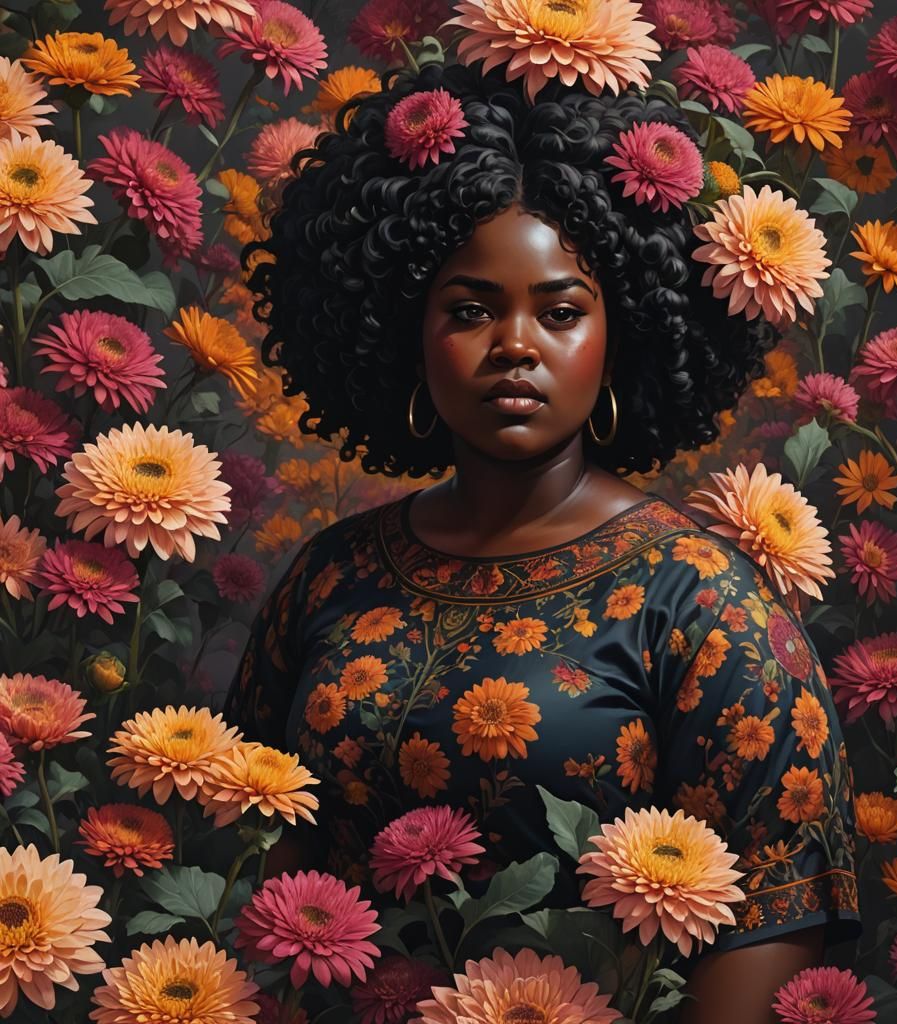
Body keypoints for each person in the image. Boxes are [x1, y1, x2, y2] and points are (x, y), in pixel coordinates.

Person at [223, 53, 861, 1023]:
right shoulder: (330, 577)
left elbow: (772, 922)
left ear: (623, 338)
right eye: (471, 309)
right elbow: (247, 862)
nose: (514, 344)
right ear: (406, 329)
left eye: (560, 311)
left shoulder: (698, 595)